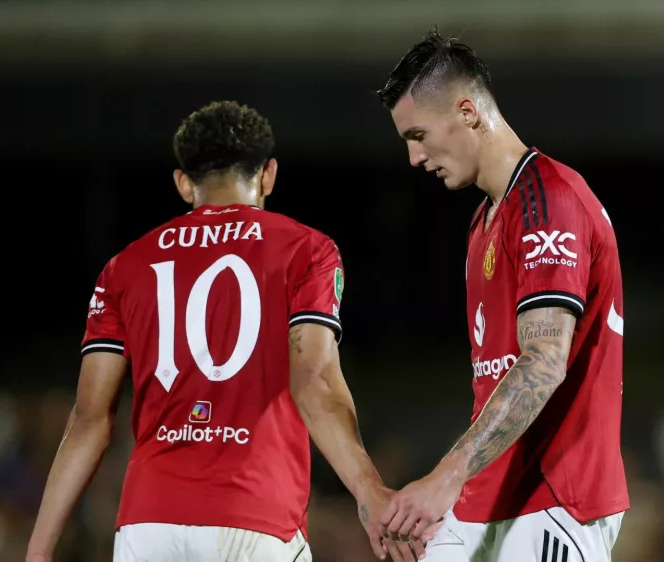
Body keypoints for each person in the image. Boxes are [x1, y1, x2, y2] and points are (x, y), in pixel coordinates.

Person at [25, 101, 423, 562]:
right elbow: (314, 382)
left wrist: (38, 551)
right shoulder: (306, 250)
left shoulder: (124, 267)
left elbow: (89, 420)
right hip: (254, 515)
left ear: (182, 182)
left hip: (148, 524)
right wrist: (369, 490)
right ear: (268, 174)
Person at [374, 30, 630, 561]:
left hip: (555, 498)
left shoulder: (548, 200)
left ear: (468, 112)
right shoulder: (485, 220)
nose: (414, 157)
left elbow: (543, 363)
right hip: (490, 499)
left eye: (419, 134)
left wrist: (446, 477)